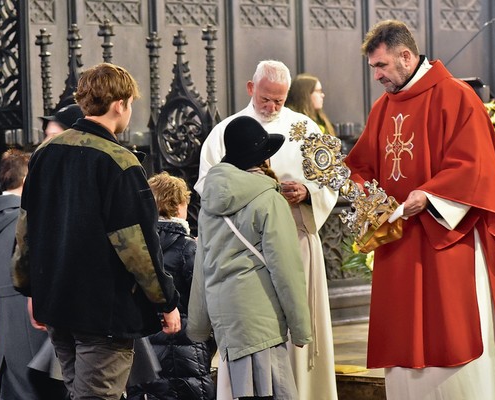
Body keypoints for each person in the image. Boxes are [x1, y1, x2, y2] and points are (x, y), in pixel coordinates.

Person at [344, 19, 495, 399]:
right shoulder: (382, 108)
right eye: (373, 67)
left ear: (406, 56)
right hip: (399, 242)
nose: (376, 76)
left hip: (446, 239)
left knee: (452, 334)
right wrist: (366, 198)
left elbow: (475, 166)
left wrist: (431, 196)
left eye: (381, 66)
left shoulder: (456, 96)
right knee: (403, 342)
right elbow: (361, 167)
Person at [11, 62, 181, 400]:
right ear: (120, 104)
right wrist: (166, 301)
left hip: (56, 301)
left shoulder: (45, 153)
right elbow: (139, 248)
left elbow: (27, 228)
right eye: (131, 103)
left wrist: (29, 288)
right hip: (102, 311)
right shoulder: (119, 162)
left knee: (80, 393)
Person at [196, 60, 339, 400]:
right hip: (241, 253)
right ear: (251, 88)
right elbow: (208, 187)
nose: (272, 106)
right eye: (266, 98)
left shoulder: (305, 127)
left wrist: (308, 193)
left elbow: (331, 180)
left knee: (297, 330)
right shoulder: (225, 131)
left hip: (297, 240)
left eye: (279, 99)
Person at [188, 116, 312, 400]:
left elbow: (202, 265)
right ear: (262, 158)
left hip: (226, 320)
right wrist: (301, 328)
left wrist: (197, 325)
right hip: (260, 319)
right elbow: (286, 269)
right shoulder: (269, 200)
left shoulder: (209, 203)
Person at [0, 149, 68, 400]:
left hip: (3, 316)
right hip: (32, 313)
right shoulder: (28, 216)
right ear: (27, 181)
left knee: (14, 386)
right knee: (42, 387)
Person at [127, 172, 216, 400]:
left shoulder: (134, 248)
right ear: (178, 205)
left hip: (143, 353)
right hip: (187, 352)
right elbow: (207, 303)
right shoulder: (189, 248)